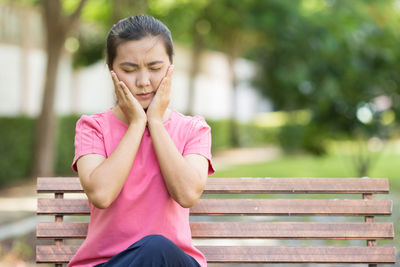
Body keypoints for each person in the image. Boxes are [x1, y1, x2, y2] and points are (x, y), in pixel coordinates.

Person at [69, 15, 215, 267]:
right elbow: (101, 195)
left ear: (171, 67)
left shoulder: (194, 129)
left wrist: (155, 123)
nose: (143, 81)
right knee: (152, 249)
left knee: (156, 247)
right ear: (111, 71)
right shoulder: (92, 127)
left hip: (172, 262)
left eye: (155, 68)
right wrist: (137, 124)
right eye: (129, 69)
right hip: (109, 263)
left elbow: (187, 193)